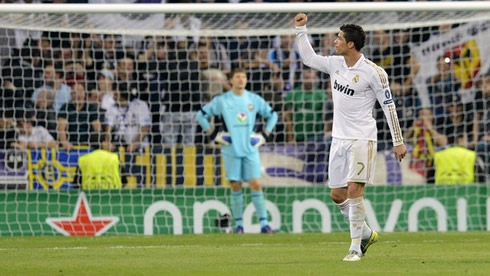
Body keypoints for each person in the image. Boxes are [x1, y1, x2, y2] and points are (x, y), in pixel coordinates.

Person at [295, 13, 407, 261]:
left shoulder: (374, 73)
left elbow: (389, 106)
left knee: (355, 189)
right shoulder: (335, 64)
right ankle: (366, 233)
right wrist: (300, 30)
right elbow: (309, 58)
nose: (335, 41)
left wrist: (397, 140)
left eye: (339, 38)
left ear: (350, 44)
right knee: (337, 194)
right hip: (338, 139)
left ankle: (355, 247)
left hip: (362, 138)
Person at [195, 68, 278, 234]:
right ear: (231, 80)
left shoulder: (253, 99)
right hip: (230, 148)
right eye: (238, 77)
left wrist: (265, 135)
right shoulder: (222, 100)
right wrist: (212, 134)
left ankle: (264, 224)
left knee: (256, 184)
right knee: (236, 185)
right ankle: (239, 226)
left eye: (243, 77)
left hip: (250, 149)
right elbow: (200, 115)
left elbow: (273, 116)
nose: (241, 80)